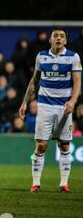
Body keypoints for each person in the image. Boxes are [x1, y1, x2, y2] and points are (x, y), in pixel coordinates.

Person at [19, 27, 81, 193]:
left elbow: (77, 82)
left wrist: (73, 102)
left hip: (64, 106)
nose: (59, 38)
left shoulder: (73, 57)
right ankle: (36, 183)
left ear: (66, 40)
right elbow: (34, 81)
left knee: (65, 145)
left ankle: (63, 184)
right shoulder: (41, 56)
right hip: (45, 106)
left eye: (62, 36)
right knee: (41, 146)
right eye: (55, 36)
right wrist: (24, 102)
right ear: (50, 40)